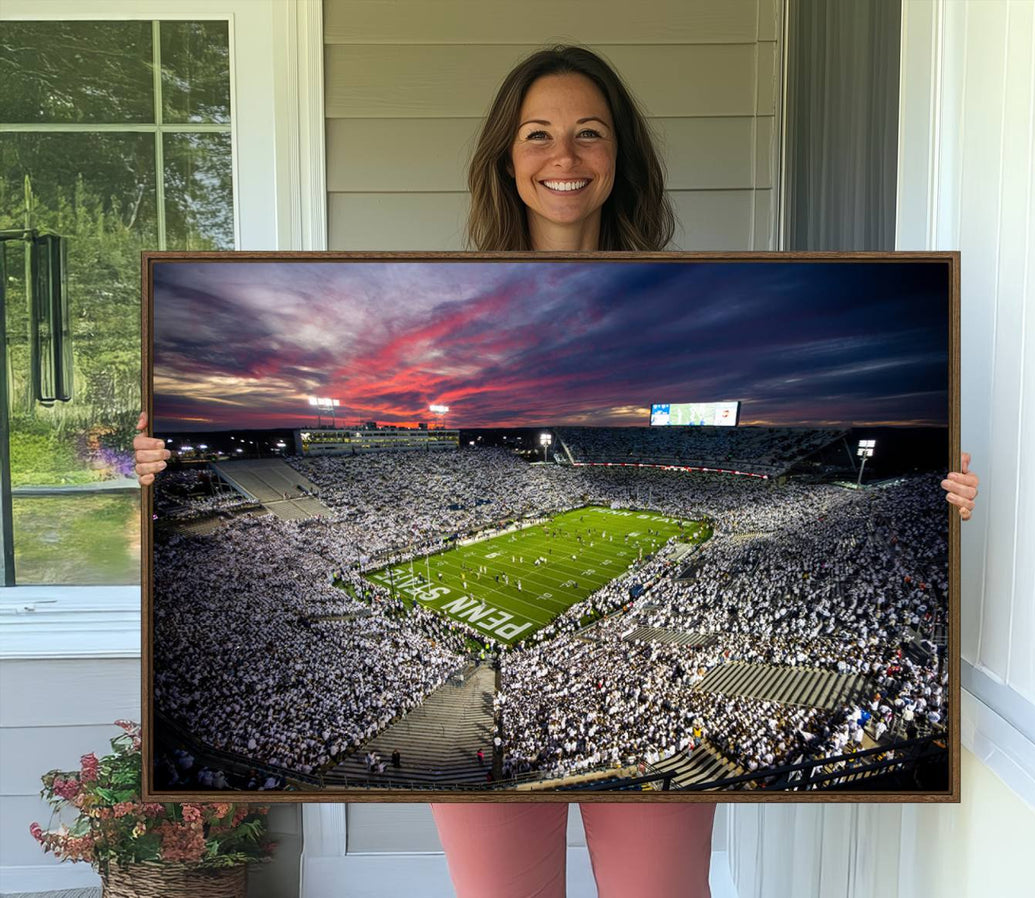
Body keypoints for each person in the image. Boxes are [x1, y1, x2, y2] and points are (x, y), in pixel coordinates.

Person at [134, 44, 979, 898]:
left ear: (621, 157)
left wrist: (941, 497)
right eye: (538, 134)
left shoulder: (689, 291)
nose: (563, 157)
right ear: (507, 156)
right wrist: (154, 468)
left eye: (589, 133)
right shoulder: (457, 297)